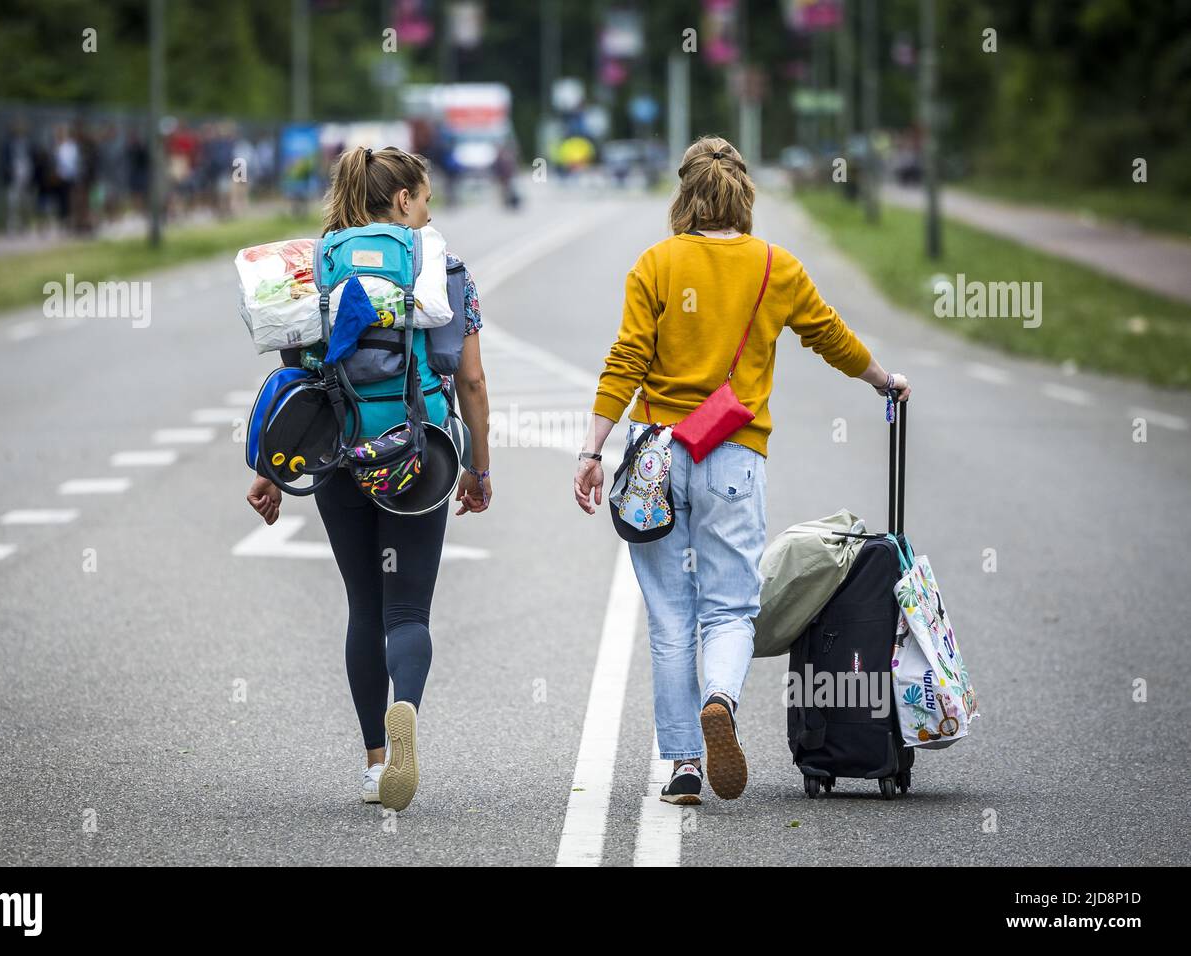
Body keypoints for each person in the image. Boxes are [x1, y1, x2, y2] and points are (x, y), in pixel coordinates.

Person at [573, 135, 912, 805]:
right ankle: (720, 699)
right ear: (744, 195)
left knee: (671, 617)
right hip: (733, 454)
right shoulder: (773, 267)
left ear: (685, 195)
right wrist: (883, 380)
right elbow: (829, 334)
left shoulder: (656, 264)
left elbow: (626, 359)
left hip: (656, 460)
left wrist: (591, 449)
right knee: (730, 608)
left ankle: (683, 767)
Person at [245, 146, 493, 811]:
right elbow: (469, 378)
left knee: (364, 604)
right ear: (404, 200)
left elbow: (292, 375)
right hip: (418, 447)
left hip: (334, 453)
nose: (430, 208)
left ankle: (376, 762)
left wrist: (273, 470)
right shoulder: (444, 269)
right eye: (426, 197)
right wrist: (477, 466)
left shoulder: (313, 268)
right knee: (408, 608)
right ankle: (404, 705)